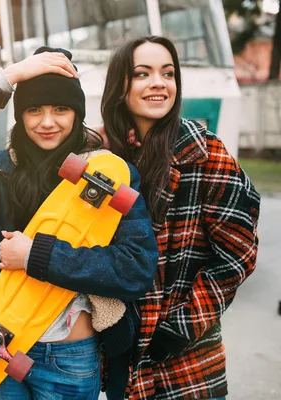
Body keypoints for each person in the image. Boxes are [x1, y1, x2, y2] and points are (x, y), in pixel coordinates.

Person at [0, 46, 159, 399]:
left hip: (68, 356)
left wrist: (36, 255)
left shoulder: (106, 174)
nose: (47, 122)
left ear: (77, 113)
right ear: (20, 116)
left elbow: (136, 268)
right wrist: (9, 77)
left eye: (60, 109)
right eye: (34, 109)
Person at [98, 36, 261, 400]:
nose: (159, 82)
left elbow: (238, 254)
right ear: (119, 86)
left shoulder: (204, 152)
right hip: (120, 355)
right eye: (143, 74)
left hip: (186, 361)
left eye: (168, 73)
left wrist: (179, 328)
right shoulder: (105, 157)